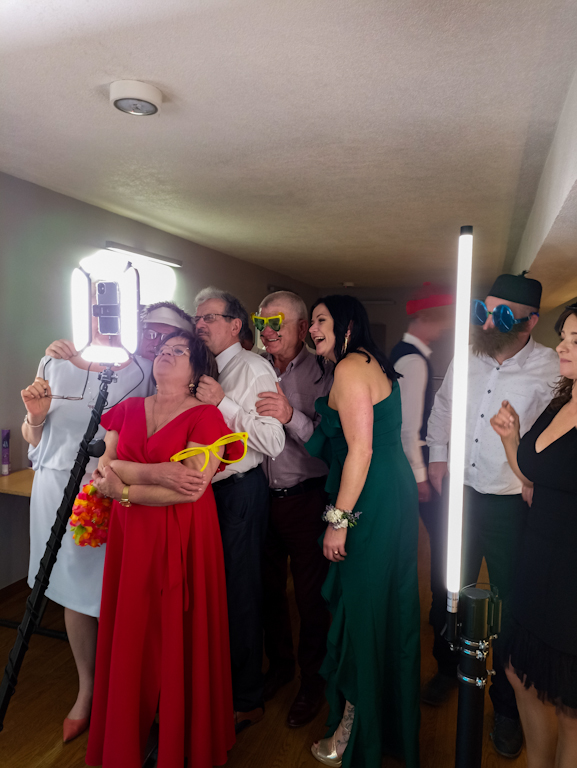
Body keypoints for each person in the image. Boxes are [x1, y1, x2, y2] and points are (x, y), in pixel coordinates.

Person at [85, 330, 240, 768]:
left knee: (177, 633)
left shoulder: (206, 417)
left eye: (179, 351)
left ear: (196, 369)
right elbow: (104, 469)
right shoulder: (128, 409)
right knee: (132, 631)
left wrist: (124, 486)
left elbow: (190, 488)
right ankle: (129, 737)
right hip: (132, 534)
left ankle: (180, 737)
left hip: (184, 532)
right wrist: (157, 473)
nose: (165, 356)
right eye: (162, 350)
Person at [427, 272, 559, 758]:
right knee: (448, 587)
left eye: (502, 315)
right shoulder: (467, 355)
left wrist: (537, 481)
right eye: (482, 311)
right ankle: (448, 669)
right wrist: (437, 457)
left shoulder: (551, 368)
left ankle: (505, 706)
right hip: (460, 494)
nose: (487, 323)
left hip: (510, 502)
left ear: (530, 321)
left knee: (506, 605)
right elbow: (443, 407)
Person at [21, 314, 152, 743]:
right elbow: (34, 438)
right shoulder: (53, 361)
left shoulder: (144, 368)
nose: (104, 319)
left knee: (115, 589)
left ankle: (126, 687)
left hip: (109, 488)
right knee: (74, 590)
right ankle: (88, 689)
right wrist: (35, 417)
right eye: (96, 309)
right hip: (54, 487)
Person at [307, 295, 420, 768]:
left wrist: (339, 523)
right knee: (385, 606)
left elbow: (361, 451)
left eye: (321, 319)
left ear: (347, 325)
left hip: (369, 499)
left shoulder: (351, 367)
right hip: (387, 492)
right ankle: (386, 725)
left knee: (362, 611)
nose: (313, 328)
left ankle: (355, 734)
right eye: (311, 321)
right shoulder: (371, 362)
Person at [192, 287, 285, 732]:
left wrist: (223, 404)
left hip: (239, 493)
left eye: (210, 317)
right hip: (203, 492)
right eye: (198, 318)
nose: (200, 324)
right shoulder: (202, 368)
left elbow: (272, 440)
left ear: (235, 325)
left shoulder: (254, 369)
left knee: (239, 594)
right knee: (212, 593)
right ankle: (215, 687)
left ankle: (247, 699)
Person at [490, 304, 577, 768]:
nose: (562, 345)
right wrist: (512, 438)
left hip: (571, 575)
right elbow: (533, 475)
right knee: (519, 673)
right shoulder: (561, 401)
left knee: (570, 707)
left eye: (576, 341)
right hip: (536, 557)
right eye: (564, 335)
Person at [255, 291, 332, 727]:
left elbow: (331, 442)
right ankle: (280, 667)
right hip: (259, 499)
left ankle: (313, 681)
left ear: (303, 328)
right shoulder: (253, 368)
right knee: (268, 591)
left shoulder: (325, 372)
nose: (266, 331)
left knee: (309, 597)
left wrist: (289, 415)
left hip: (307, 498)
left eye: (276, 323)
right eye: (260, 322)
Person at [390, 283, 457, 706]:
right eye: (443, 319)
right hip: (414, 472)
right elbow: (408, 427)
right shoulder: (413, 361)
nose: (446, 326)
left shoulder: (404, 354)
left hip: (406, 471)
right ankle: (433, 649)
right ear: (427, 319)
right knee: (439, 558)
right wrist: (421, 477)